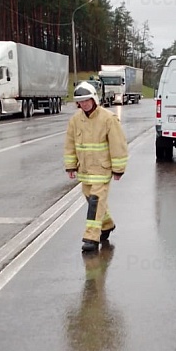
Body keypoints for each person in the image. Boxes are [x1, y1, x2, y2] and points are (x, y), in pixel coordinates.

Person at [64, 82, 129, 252]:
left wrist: (118, 169)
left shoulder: (108, 118)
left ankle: (91, 237)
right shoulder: (75, 120)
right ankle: (107, 225)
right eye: (81, 101)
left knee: (95, 201)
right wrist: (71, 166)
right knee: (90, 198)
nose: (84, 104)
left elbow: (118, 144)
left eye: (87, 100)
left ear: (94, 99)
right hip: (85, 171)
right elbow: (70, 144)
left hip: (102, 169)